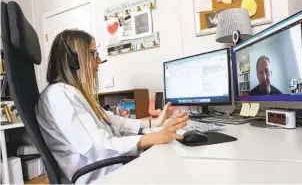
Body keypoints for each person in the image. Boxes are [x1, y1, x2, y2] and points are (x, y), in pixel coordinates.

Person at [35, 30, 188, 184]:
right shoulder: (59, 95)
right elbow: (98, 147)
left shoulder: (71, 93)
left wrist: (155, 123)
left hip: (109, 167)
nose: (99, 60)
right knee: (176, 168)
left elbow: (112, 120)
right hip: (99, 175)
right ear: (72, 60)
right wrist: (155, 137)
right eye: (93, 54)